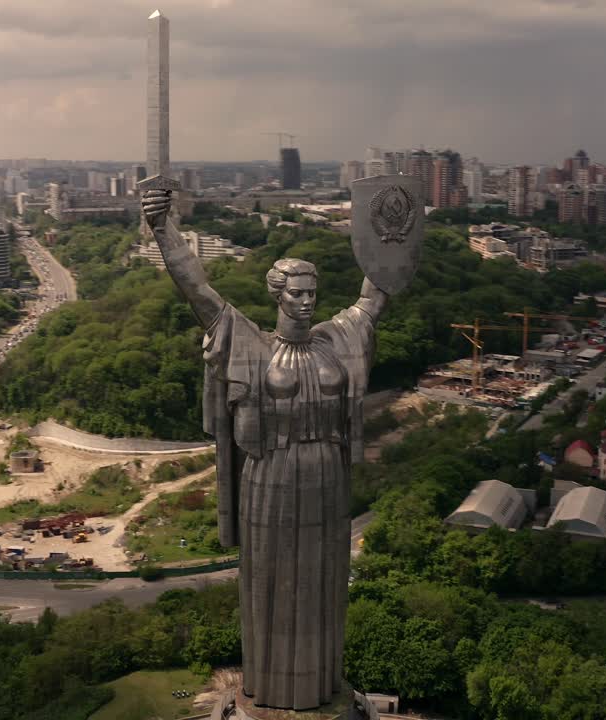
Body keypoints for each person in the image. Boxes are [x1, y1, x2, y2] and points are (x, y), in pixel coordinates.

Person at [142, 190, 387, 710]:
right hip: (269, 476)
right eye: (295, 292)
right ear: (277, 295)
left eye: (311, 291)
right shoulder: (250, 344)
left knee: (321, 583)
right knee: (271, 583)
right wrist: (163, 227)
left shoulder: (336, 341)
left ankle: (322, 691)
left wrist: (392, 232)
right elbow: (197, 288)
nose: (306, 300)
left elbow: (376, 294)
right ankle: (272, 696)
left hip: (326, 474)